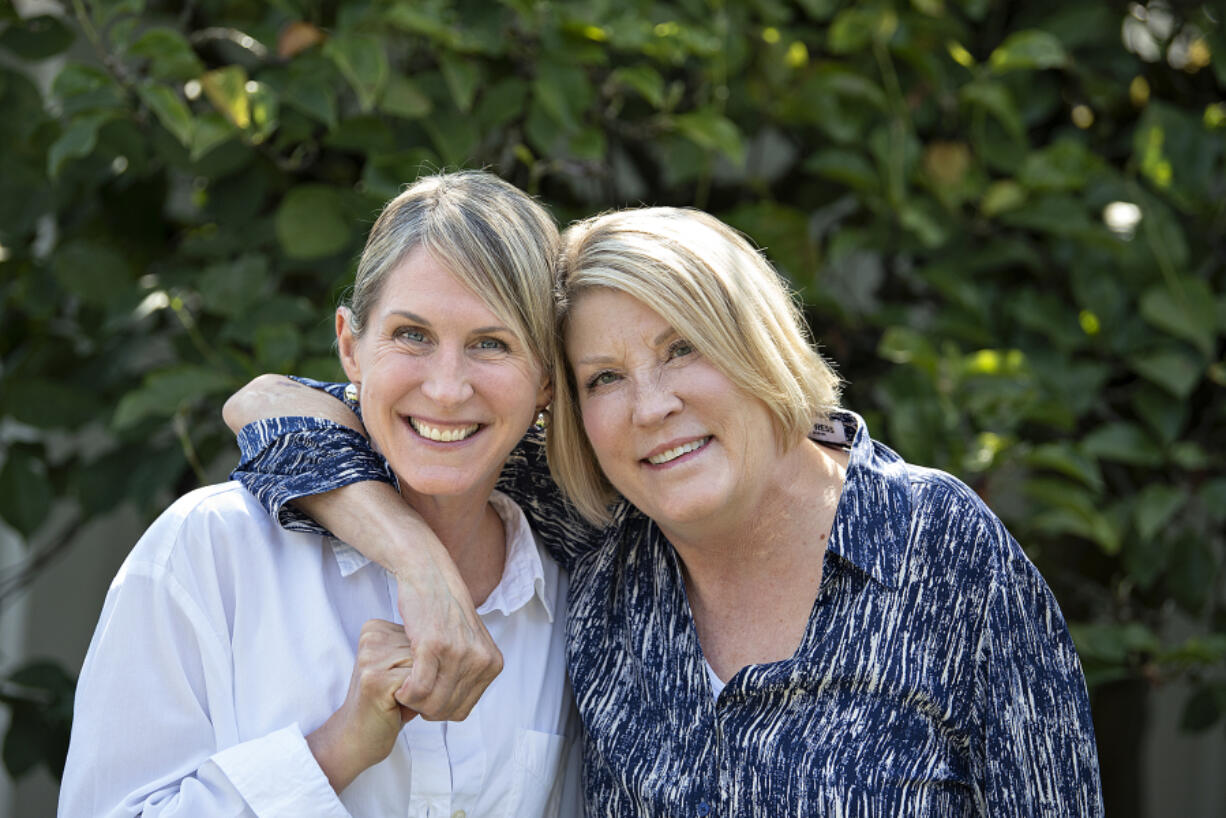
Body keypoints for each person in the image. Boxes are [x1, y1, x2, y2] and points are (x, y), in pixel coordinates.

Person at [225, 206, 1105, 815]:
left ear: (757, 343)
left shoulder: (934, 546)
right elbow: (272, 405)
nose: (649, 408)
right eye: (603, 378)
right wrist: (420, 569)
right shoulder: (606, 520)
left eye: (682, 351)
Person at [58, 171, 580, 817]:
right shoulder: (212, 548)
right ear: (350, 347)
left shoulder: (569, 587)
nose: (447, 388)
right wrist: (338, 747)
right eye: (411, 335)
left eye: (491, 344)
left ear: (548, 382)